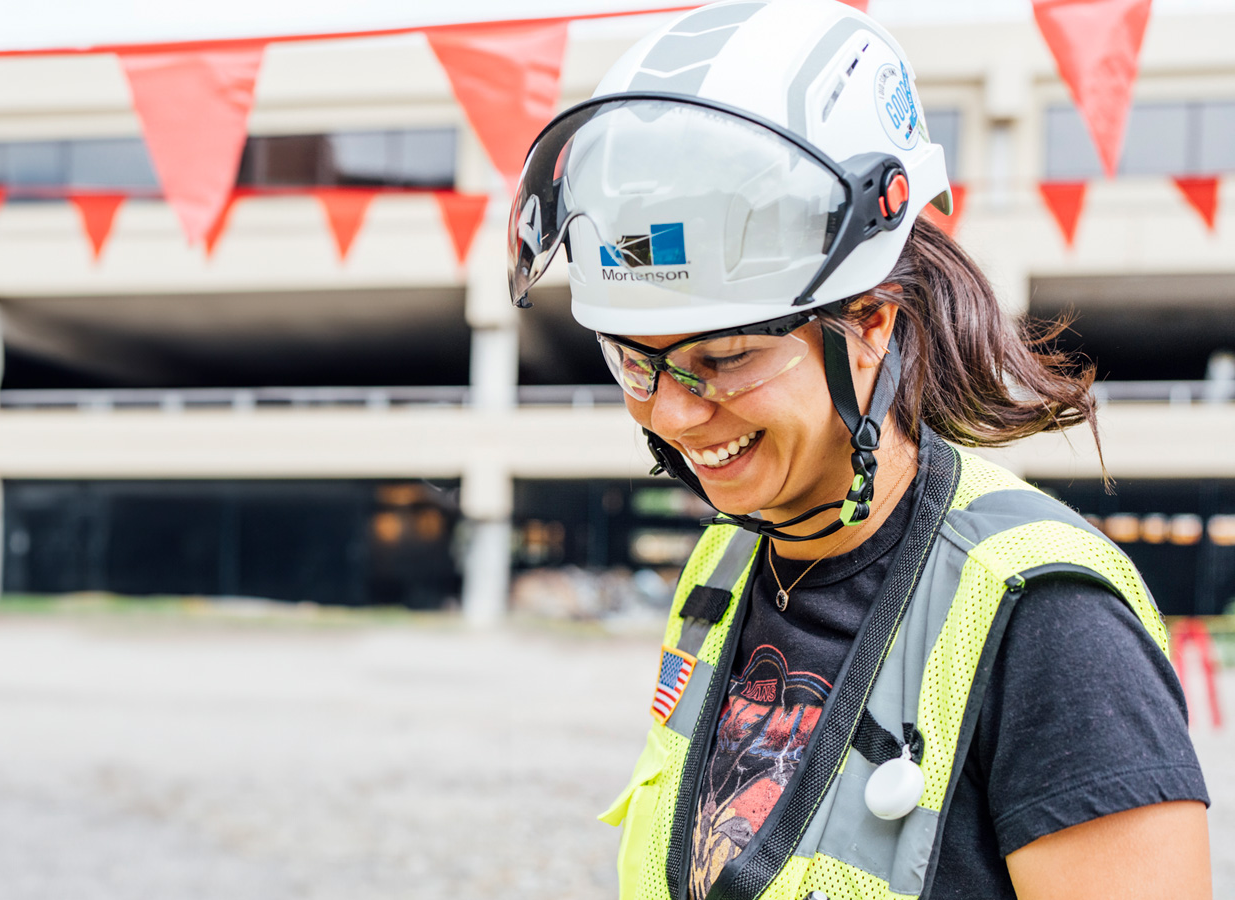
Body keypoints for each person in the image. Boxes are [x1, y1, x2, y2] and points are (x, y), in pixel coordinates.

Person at [504, 2, 1212, 898]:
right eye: (632, 362)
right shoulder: (727, 563)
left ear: (869, 321)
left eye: (722, 360)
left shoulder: (1052, 628)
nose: (675, 416)